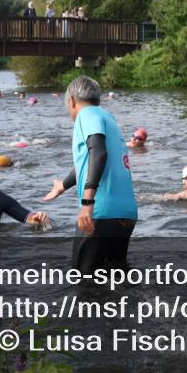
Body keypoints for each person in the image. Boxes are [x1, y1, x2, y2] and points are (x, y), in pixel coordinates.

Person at [42, 76, 137, 273]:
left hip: (101, 212)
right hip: (126, 213)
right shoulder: (107, 117)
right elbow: (90, 160)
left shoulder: (85, 116)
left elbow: (98, 152)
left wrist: (87, 203)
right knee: (117, 279)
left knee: (85, 282)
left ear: (72, 101)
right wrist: (63, 185)